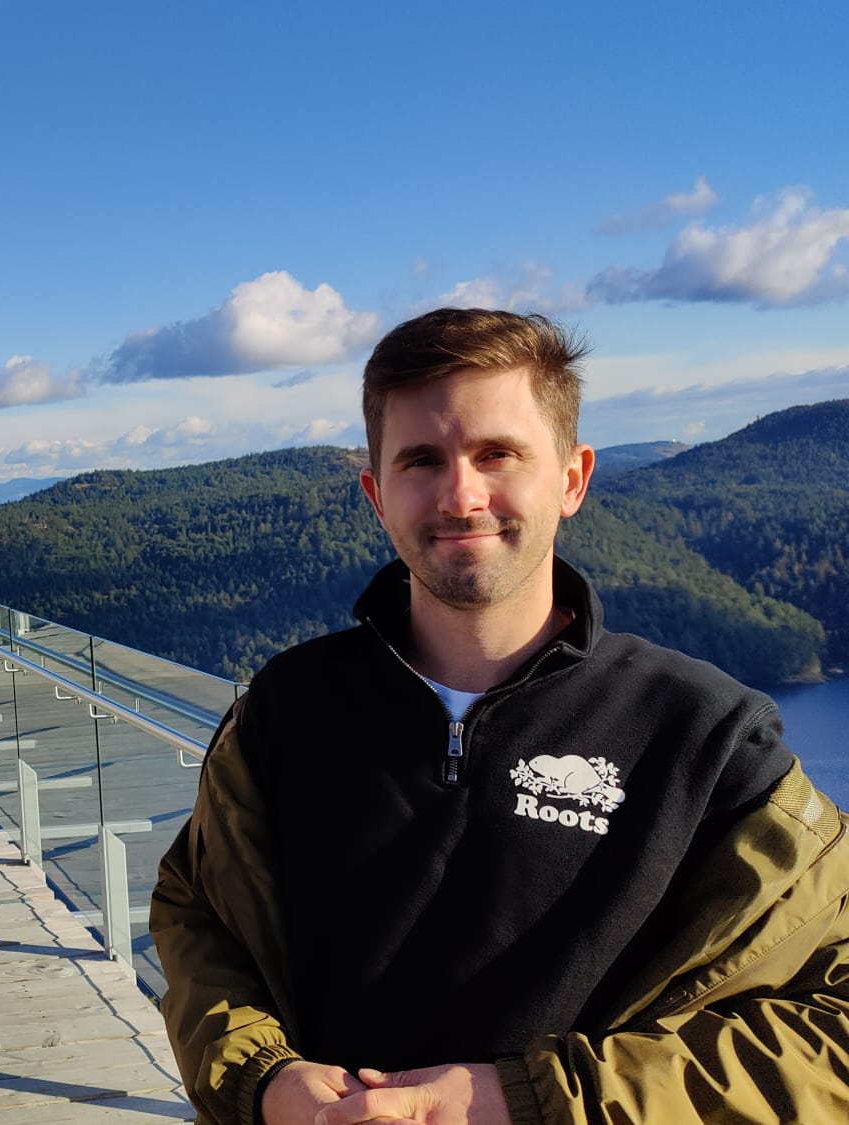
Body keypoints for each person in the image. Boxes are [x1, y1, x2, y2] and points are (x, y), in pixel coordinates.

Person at [148, 308, 849, 1124]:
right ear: (377, 495)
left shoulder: (708, 741)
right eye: (420, 460)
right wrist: (264, 1079)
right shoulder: (284, 710)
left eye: (497, 453)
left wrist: (524, 1102)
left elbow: (830, 1027)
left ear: (573, 479)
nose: (460, 493)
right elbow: (197, 915)